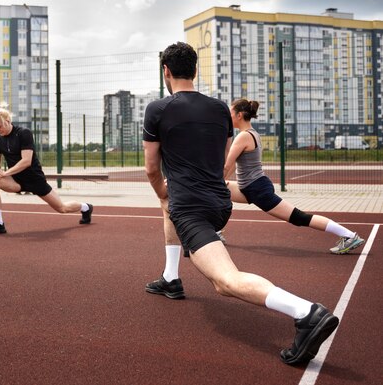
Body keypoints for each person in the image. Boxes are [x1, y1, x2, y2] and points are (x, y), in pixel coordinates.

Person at [142, 42, 338, 365]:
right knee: (169, 206)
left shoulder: (157, 109)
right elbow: (220, 158)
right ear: (195, 71)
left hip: (191, 208)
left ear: (166, 71)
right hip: (220, 202)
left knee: (225, 282)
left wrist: (162, 189)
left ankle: (307, 313)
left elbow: (151, 168)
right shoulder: (220, 108)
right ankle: (171, 277)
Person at [223, 98, 365, 254]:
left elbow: (227, 166)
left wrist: (215, 178)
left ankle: (349, 236)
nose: (227, 116)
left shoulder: (243, 136)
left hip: (257, 190)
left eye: (230, 112)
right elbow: (233, 163)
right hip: (250, 187)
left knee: (299, 218)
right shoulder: (252, 133)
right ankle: (215, 230)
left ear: (239, 115)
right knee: (217, 191)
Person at [0, 104, 93, 235]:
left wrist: (5, 173)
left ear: (7, 121)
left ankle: (86, 207)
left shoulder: (24, 133)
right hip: (16, 180)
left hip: (34, 179)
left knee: (62, 208)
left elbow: (26, 161)